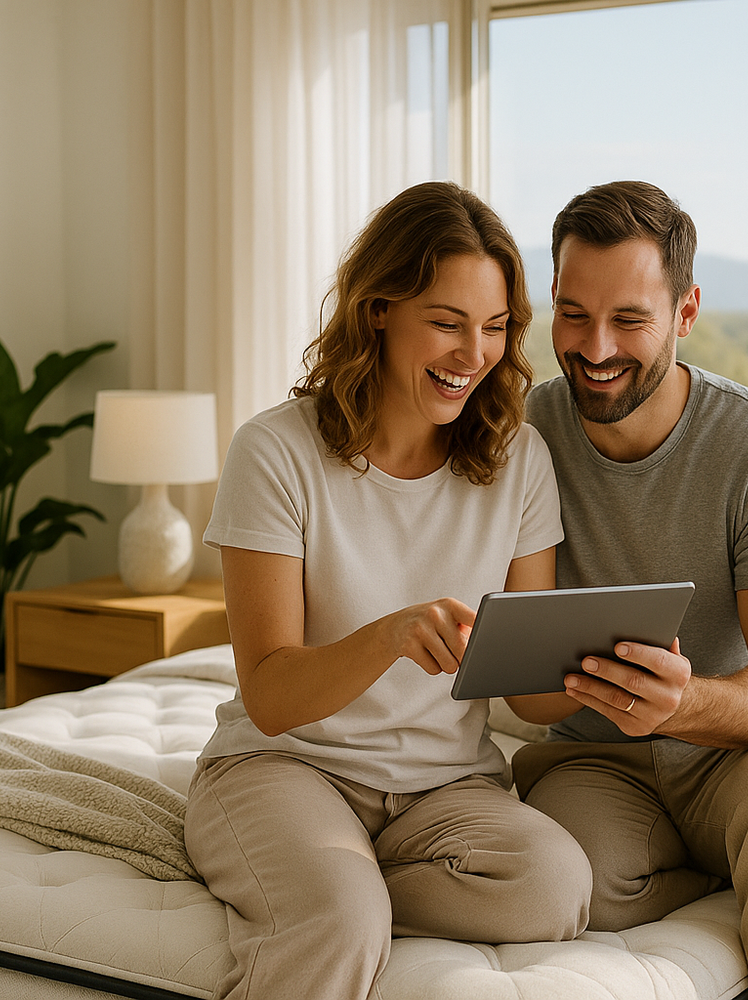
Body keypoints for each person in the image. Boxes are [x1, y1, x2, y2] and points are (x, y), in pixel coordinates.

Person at [184, 181, 593, 1000]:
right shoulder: (275, 453)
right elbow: (268, 694)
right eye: (445, 322)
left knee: (557, 885)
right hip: (285, 768)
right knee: (338, 920)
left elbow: (533, 700)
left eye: (494, 327)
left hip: (446, 786)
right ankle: (336, 891)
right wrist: (386, 637)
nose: (472, 354)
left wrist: (607, 671)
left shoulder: (520, 463)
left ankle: (346, 882)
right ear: (378, 311)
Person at [508, 180, 748, 1000]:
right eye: (571, 313)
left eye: (629, 319)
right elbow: (525, 688)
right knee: (555, 875)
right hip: (597, 760)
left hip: (742, 753)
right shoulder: (525, 435)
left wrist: (683, 704)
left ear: (686, 311)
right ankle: (717, 879)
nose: (595, 347)